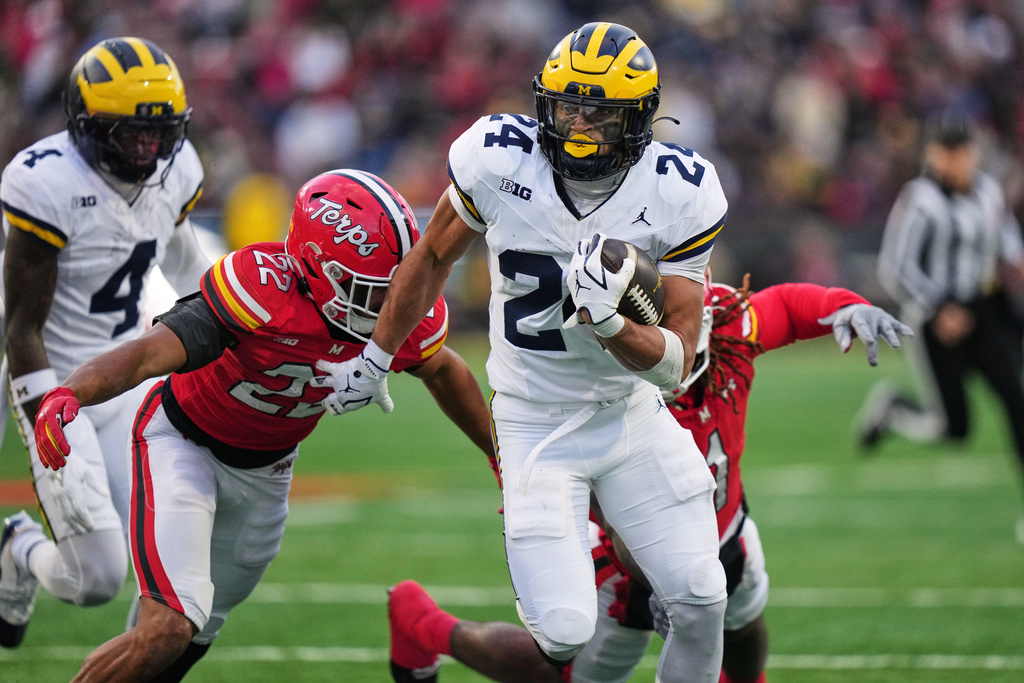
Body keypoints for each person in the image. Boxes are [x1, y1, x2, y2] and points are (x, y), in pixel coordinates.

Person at [324, 21, 732, 682]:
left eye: (596, 113)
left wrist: (609, 324)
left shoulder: (679, 190)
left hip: (629, 415)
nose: (575, 124)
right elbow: (430, 256)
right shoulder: (500, 158)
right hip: (534, 420)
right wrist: (376, 356)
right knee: (565, 630)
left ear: (636, 121)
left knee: (704, 596)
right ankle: (427, 625)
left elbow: (678, 362)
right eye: (565, 105)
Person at [31, 169, 496, 682]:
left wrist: (500, 455)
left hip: (268, 473)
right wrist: (72, 391)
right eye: (372, 291)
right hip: (182, 442)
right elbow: (147, 355)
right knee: (169, 626)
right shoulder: (263, 289)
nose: (391, 306)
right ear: (317, 269)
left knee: (191, 636)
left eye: (398, 286)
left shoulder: (396, 308)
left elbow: (445, 369)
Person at [385, 274, 913, 683]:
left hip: (724, 524)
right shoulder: (603, 378)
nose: (671, 367)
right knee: (567, 673)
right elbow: (620, 518)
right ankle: (422, 623)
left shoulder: (728, 323)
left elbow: (787, 307)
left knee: (745, 619)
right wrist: (664, 586)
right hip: (625, 550)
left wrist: (845, 304)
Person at [0, 36, 211, 648]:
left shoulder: (177, 171)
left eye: (160, 133)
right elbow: (22, 329)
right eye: (131, 133)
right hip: (56, 380)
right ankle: (19, 546)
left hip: (125, 377)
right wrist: (47, 416)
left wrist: (248, 323)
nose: (149, 148)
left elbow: (188, 267)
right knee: (95, 577)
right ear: (87, 126)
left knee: (162, 557)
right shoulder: (48, 183)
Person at [856, 112, 1024, 542]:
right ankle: (893, 409)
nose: (956, 159)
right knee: (954, 429)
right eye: (947, 150)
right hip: (938, 321)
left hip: (985, 312)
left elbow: (1004, 235)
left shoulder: (987, 189)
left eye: (962, 150)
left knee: (1016, 399)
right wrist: (938, 306)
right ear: (933, 153)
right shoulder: (920, 200)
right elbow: (894, 266)